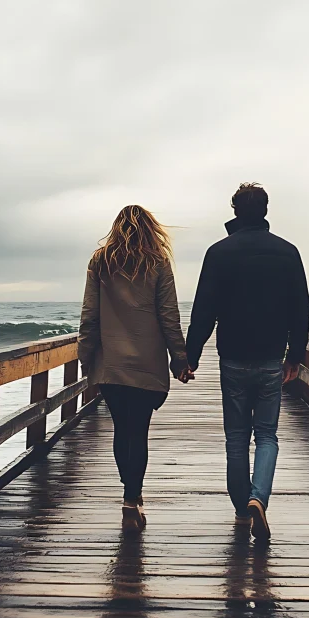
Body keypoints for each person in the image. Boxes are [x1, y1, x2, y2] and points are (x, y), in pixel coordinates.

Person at [185, 183, 309, 541]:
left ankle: (243, 506)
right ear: (266, 210)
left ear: (236, 211)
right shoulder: (288, 252)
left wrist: (188, 358)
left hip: (234, 358)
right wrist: (295, 356)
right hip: (272, 357)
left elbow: (203, 311)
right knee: (267, 434)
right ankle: (260, 497)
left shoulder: (219, 252)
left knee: (237, 436)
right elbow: (301, 308)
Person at [78, 205, 191, 534]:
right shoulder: (157, 262)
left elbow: (90, 315)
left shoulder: (101, 261)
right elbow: (169, 315)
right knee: (138, 431)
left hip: (111, 365)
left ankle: (129, 497)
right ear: (150, 228)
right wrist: (179, 358)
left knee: (120, 430)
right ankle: (132, 498)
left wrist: (87, 360)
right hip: (146, 364)